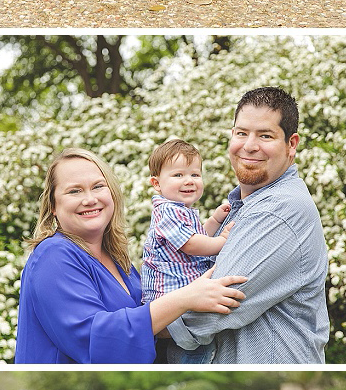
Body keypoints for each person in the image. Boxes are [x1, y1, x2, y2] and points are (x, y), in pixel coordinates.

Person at [14, 148, 246, 364]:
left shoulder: (117, 260)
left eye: (98, 187)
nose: (89, 199)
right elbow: (94, 339)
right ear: (53, 205)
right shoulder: (53, 255)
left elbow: (149, 325)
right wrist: (185, 298)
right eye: (74, 191)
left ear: (112, 194)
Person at [166, 87, 329, 363]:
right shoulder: (240, 206)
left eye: (265, 136)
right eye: (241, 133)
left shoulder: (279, 210)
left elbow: (208, 312)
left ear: (292, 144)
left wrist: (136, 322)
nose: (249, 145)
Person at [140, 138, 232, 363]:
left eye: (195, 174)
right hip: (170, 303)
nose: (188, 181)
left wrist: (215, 219)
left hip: (182, 301)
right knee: (193, 353)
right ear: (157, 183)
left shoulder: (181, 210)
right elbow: (191, 244)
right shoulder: (167, 212)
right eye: (178, 175)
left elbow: (198, 237)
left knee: (197, 348)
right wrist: (222, 241)